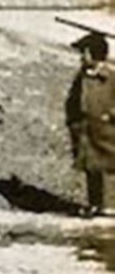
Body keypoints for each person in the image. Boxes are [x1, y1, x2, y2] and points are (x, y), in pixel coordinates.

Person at [65, 30, 115, 217]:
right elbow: (73, 100)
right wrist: (73, 122)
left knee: (110, 167)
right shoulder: (82, 76)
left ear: (94, 53)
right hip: (87, 130)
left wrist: (110, 115)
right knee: (92, 168)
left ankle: (111, 204)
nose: (81, 57)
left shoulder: (110, 77)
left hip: (108, 132)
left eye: (83, 53)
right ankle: (95, 204)